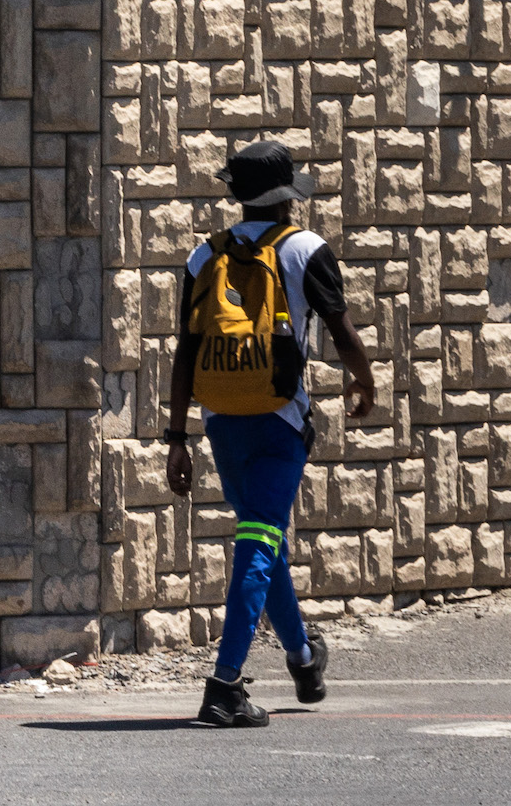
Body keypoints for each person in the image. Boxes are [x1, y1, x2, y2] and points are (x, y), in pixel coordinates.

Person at [164, 140, 376, 728]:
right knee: (258, 546)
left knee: (265, 538)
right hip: (281, 423)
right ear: (288, 198)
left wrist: (177, 437)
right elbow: (341, 329)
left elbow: (186, 351)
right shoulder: (305, 249)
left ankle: (304, 659)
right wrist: (364, 382)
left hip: (221, 421)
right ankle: (223, 685)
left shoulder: (204, 256)